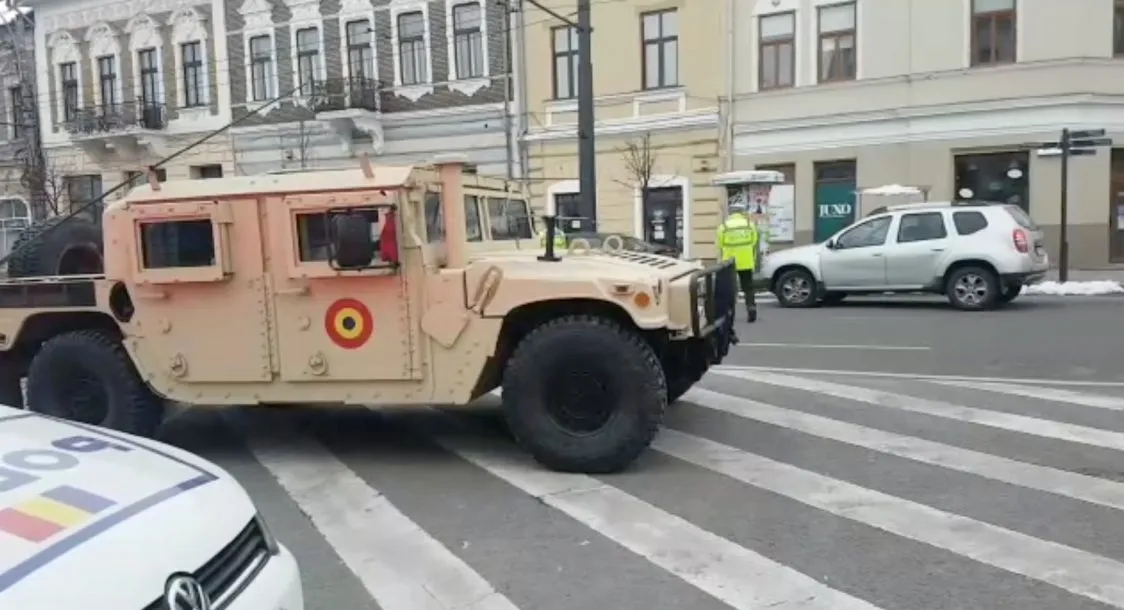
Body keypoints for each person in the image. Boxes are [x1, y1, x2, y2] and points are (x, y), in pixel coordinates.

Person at [716, 201, 760, 323]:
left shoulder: (724, 227)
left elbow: (720, 244)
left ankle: (729, 312)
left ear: (731, 213)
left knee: (729, 289)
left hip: (729, 262)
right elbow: (754, 241)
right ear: (742, 212)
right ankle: (751, 307)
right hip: (746, 260)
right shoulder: (749, 225)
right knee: (748, 287)